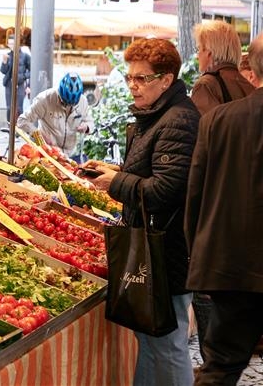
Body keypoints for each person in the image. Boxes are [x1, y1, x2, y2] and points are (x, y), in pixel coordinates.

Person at [85, 38, 200, 386]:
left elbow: (166, 189)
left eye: (142, 79)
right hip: (156, 249)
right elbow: (149, 171)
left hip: (169, 250)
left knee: (167, 345)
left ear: (166, 80)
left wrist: (117, 181)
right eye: (130, 78)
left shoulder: (178, 120)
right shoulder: (156, 116)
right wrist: (111, 170)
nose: (133, 86)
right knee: (151, 343)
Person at [185, 33, 263, 386]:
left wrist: (198, 254)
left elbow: (196, 197)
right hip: (231, 265)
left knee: (219, 368)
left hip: (229, 266)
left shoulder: (216, 121)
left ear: (253, 67)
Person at [16, 72, 94, 157]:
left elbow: (90, 122)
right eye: (65, 103)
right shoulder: (44, 99)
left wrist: (86, 127)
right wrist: (37, 134)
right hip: (47, 153)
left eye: (73, 104)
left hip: (70, 154)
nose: (68, 106)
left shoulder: (83, 101)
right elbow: (22, 121)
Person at [191, 20, 254, 116]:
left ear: (209, 52)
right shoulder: (248, 84)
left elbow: (205, 128)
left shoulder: (206, 85)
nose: (197, 55)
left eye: (199, 48)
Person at [0, 36, 31, 124]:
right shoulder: (8, 55)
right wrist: (4, 62)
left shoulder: (25, 56)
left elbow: (32, 70)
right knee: (9, 108)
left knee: (19, 108)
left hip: (20, 84)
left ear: (18, 43)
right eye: (9, 44)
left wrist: (26, 81)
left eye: (13, 43)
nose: (11, 46)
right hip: (9, 84)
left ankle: (19, 128)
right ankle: (10, 128)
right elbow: (3, 71)